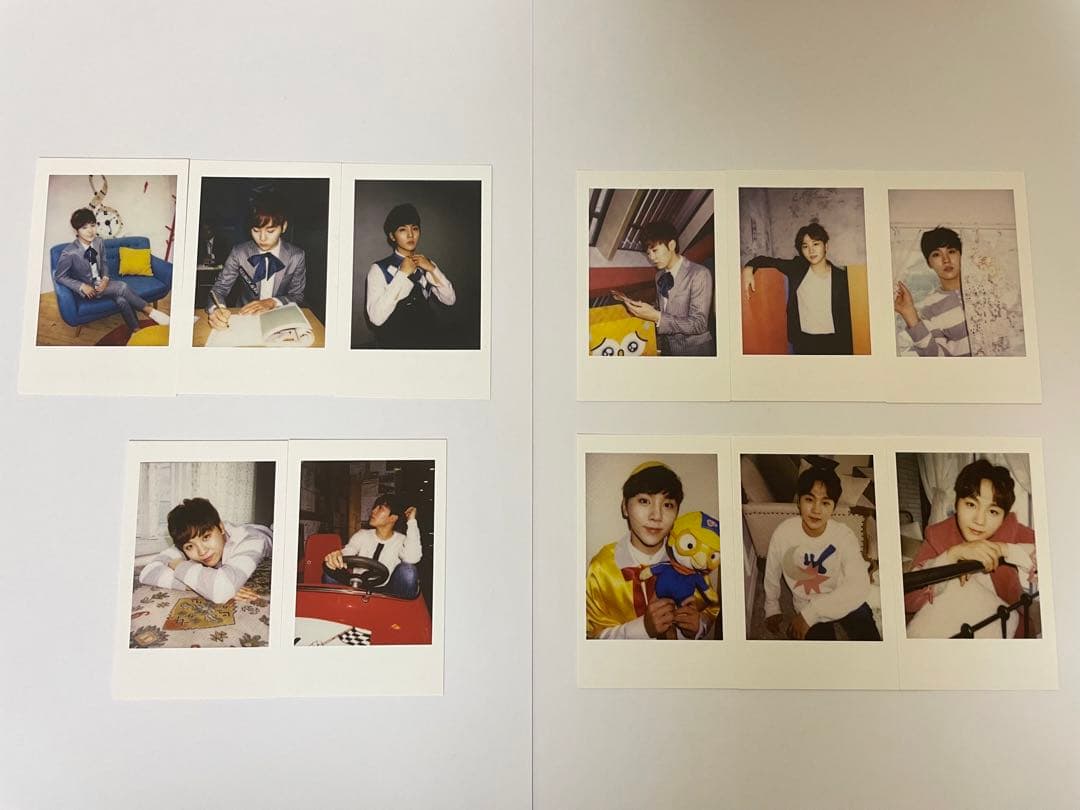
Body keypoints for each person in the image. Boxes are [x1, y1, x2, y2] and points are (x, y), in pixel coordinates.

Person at [904, 459, 1036, 637]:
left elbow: (1054, 552)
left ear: (1003, 517)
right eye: (971, 505)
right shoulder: (939, 534)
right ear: (956, 504)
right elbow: (908, 600)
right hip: (952, 627)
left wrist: (1003, 549)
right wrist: (953, 555)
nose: (979, 520)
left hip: (1005, 625)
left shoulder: (1009, 529)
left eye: (993, 512)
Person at [585, 461, 717, 639]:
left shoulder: (691, 562)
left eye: (667, 505)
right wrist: (642, 629)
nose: (656, 516)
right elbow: (592, 637)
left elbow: (711, 610)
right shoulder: (602, 568)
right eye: (644, 501)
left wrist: (698, 626)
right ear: (625, 507)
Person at [763, 466, 879, 641]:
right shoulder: (784, 533)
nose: (816, 510)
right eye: (809, 500)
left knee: (869, 638)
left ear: (833, 507)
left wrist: (810, 614)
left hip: (841, 596)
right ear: (799, 502)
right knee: (822, 652)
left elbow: (859, 584)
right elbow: (772, 571)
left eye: (825, 503)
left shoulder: (843, 535)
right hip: (806, 601)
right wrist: (771, 607)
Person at [741, 222, 853, 355]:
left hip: (834, 342)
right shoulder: (797, 268)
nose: (811, 250)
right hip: (804, 342)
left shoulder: (842, 278)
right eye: (805, 246)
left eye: (816, 244)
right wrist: (749, 267)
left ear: (826, 246)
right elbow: (766, 260)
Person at [54, 208, 170, 334]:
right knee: (122, 287)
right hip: (89, 291)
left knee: (122, 300)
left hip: (104, 285)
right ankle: (150, 311)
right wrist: (81, 286)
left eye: (92, 225)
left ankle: (136, 330)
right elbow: (59, 276)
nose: (90, 231)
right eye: (84, 227)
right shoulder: (69, 252)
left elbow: (104, 264)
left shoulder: (98, 242)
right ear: (76, 230)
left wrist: (105, 279)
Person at [138, 497, 272, 604]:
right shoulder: (190, 536)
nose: (202, 551)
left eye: (206, 537)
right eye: (190, 546)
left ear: (221, 528)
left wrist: (178, 565)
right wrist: (204, 586)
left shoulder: (252, 539)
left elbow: (221, 591)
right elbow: (147, 573)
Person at [207, 193, 307, 329]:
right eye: (256, 230)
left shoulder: (296, 256)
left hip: (280, 318)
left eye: (270, 231)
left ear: (284, 227)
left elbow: (297, 296)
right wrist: (216, 310)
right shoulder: (239, 252)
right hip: (245, 317)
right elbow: (219, 289)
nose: (262, 238)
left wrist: (272, 302)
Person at [615, 221, 715, 356]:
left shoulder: (699, 274)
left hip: (695, 351)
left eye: (655, 250)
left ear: (672, 245)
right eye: (648, 253)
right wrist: (640, 306)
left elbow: (699, 324)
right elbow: (662, 307)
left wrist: (658, 317)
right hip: (668, 349)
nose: (651, 258)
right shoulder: (659, 276)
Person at [365, 203, 457, 348]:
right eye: (402, 229)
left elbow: (450, 299)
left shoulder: (426, 264)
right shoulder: (378, 269)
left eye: (414, 228)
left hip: (428, 340)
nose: (410, 235)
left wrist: (432, 269)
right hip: (394, 344)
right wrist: (402, 274)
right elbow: (376, 318)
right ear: (392, 236)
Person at [323, 494, 422, 598]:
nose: (373, 511)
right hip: (357, 585)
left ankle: (399, 607)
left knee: (408, 570)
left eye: (380, 508)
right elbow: (348, 551)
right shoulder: (362, 534)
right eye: (375, 507)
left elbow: (412, 558)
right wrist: (337, 557)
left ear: (393, 518)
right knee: (330, 570)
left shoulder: (402, 540)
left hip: (388, 592)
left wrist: (412, 521)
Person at [893, 226, 971, 356]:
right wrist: (909, 314)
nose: (946, 260)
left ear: (961, 255)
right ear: (929, 263)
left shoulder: (985, 292)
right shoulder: (930, 308)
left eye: (951, 251)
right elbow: (936, 356)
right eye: (936, 254)